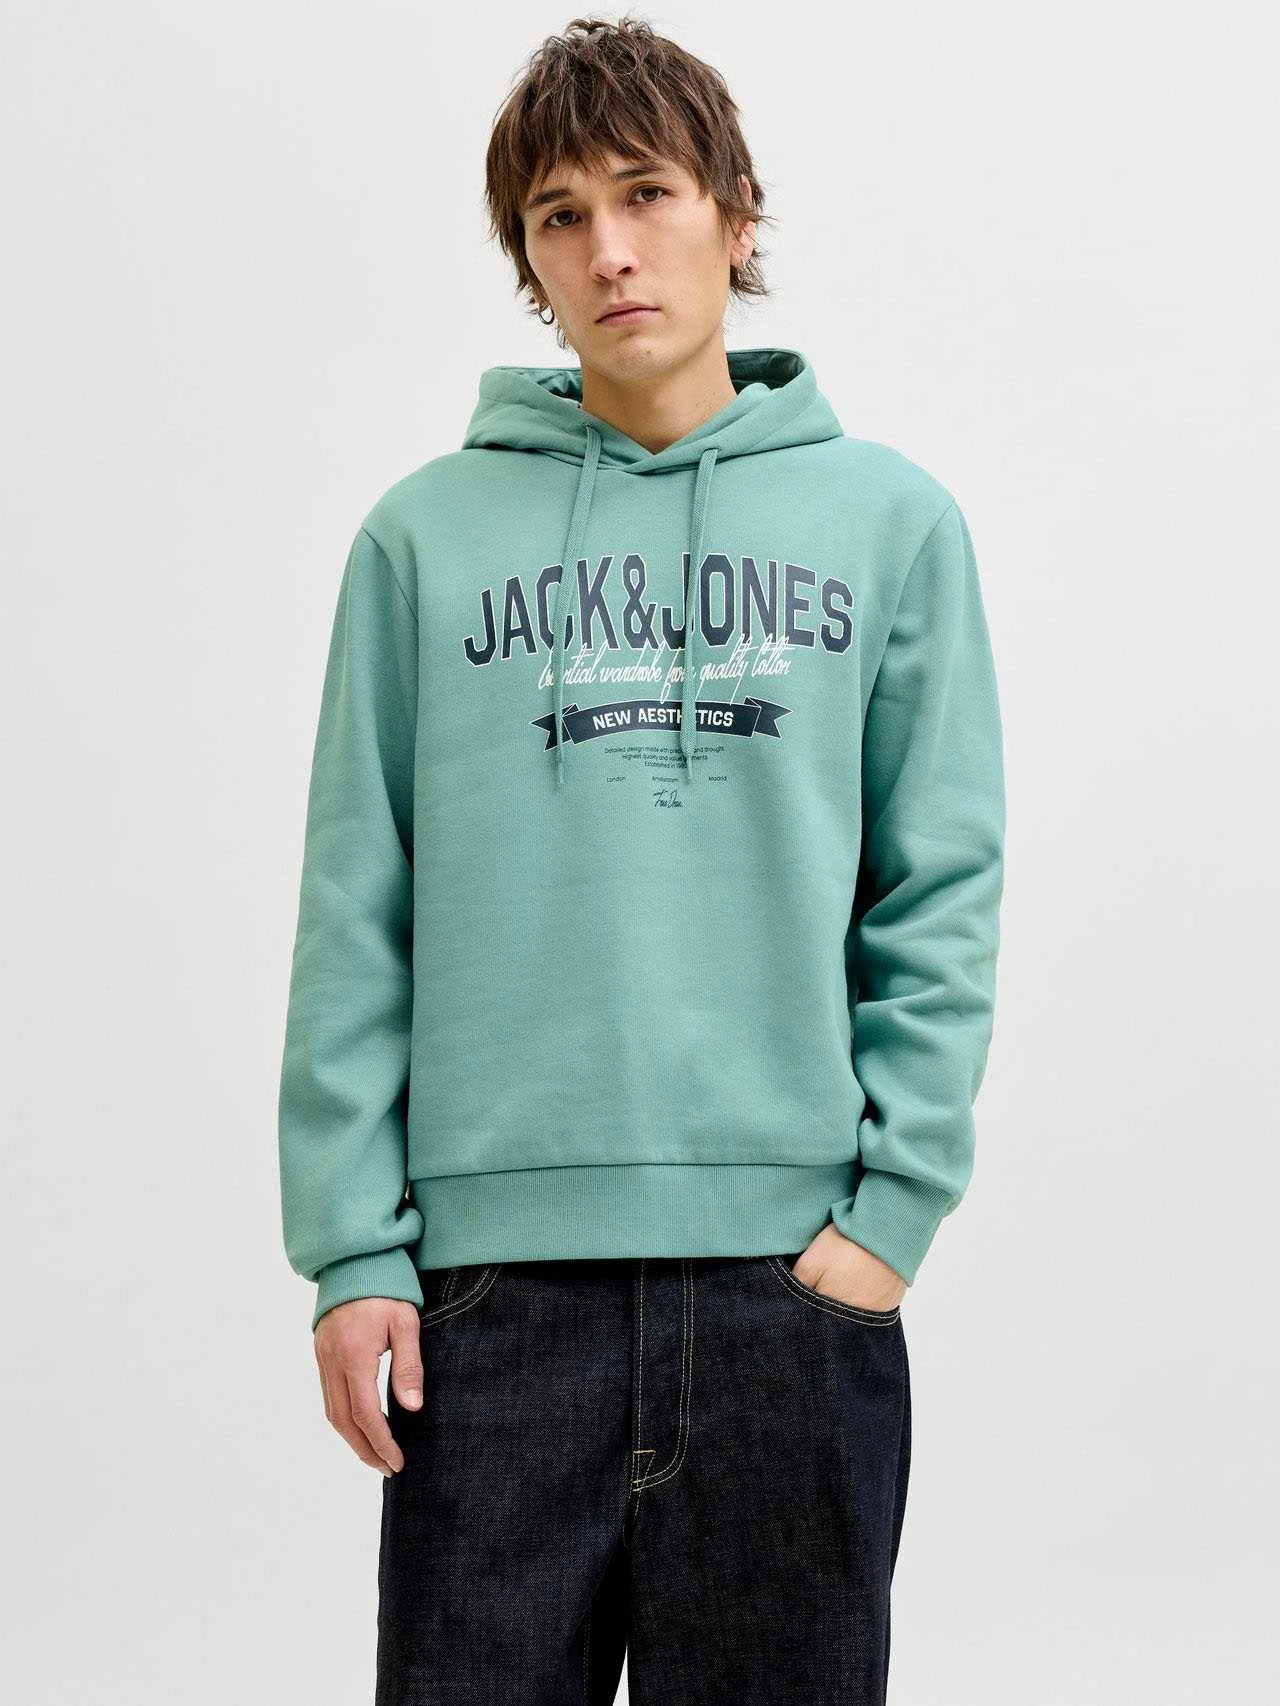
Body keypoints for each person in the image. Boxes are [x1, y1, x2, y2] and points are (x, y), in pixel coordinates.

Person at [276, 14, 1005, 1703]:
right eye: (558, 215)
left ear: (735, 214)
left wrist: (889, 1216)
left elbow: (939, 886)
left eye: (646, 191)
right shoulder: (422, 540)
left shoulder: (890, 525)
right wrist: (352, 1247)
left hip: (788, 1294)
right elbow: (355, 902)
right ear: (528, 262)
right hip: (488, 1306)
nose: (607, 248)